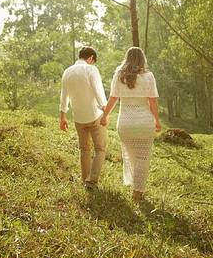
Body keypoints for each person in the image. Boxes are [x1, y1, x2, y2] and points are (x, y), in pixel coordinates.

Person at [100, 46, 161, 201]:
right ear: (142, 59)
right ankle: (137, 191)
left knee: (132, 156)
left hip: (125, 123)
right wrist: (157, 121)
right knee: (142, 158)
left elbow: (113, 98)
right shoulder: (148, 76)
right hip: (144, 123)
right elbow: (153, 101)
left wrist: (105, 115)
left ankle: (136, 185)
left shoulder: (119, 75)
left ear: (126, 58)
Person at [59, 46, 108, 190]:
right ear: (91, 58)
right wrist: (105, 112)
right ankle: (91, 182)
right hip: (94, 116)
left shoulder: (67, 72)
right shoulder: (91, 69)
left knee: (84, 149)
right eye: (94, 61)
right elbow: (99, 92)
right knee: (100, 149)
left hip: (78, 118)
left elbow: (64, 96)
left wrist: (63, 117)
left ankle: (85, 179)